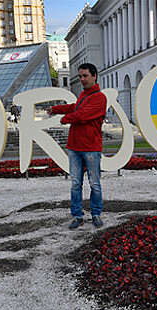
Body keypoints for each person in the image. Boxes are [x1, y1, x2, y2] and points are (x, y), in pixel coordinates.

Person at [46, 63, 107, 229]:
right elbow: (75, 107)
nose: (82, 79)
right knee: (75, 184)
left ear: (94, 76)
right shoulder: (83, 95)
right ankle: (77, 215)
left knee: (94, 183)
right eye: (80, 76)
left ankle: (96, 214)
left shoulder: (100, 98)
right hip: (74, 146)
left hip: (91, 147)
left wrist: (65, 119)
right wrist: (56, 109)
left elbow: (83, 115)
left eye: (85, 76)